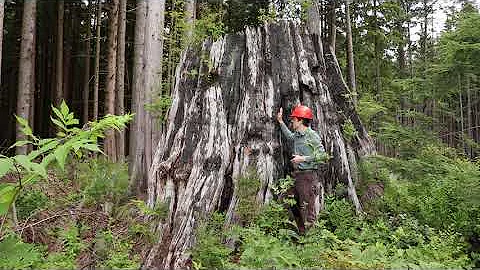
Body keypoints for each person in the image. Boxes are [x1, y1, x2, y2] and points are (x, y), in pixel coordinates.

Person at [276, 104, 325, 234]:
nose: (291, 121)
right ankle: (302, 232)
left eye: (293, 119)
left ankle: (311, 240)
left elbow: (322, 155)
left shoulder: (312, 135)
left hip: (308, 176)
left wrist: (302, 159)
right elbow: (290, 137)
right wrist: (280, 122)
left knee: (308, 209)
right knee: (287, 200)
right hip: (297, 176)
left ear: (300, 120)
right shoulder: (297, 135)